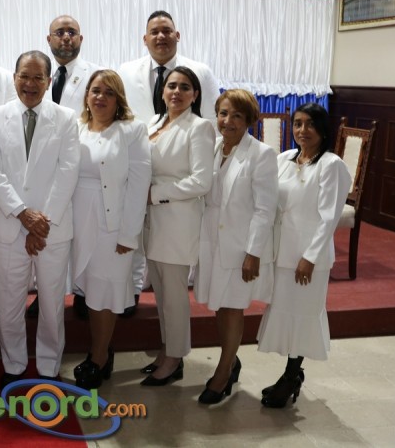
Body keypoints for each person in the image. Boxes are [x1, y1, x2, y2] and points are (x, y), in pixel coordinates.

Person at [0, 50, 80, 388]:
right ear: (14, 78)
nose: (31, 83)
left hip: (52, 229)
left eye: (38, 77)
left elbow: (68, 171)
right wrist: (23, 214)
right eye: (25, 76)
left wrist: (42, 223)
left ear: (49, 81)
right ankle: (13, 365)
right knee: (10, 304)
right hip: (11, 225)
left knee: (52, 305)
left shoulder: (66, 118)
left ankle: (49, 367)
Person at [257, 102, 351, 409]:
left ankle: (291, 376)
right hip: (282, 251)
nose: (302, 130)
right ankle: (291, 374)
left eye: (310, 124)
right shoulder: (285, 159)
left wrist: (310, 257)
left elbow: (329, 217)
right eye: (298, 123)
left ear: (323, 128)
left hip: (309, 257)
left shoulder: (331, 165)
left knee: (302, 316)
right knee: (286, 312)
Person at [194, 89, 278, 404]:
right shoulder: (213, 147)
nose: (228, 121)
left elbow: (265, 209)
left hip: (240, 245)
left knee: (232, 308)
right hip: (212, 241)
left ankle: (223, 372)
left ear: (249, 120)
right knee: (220, 305)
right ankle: (231, 360)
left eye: (237, 116)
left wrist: (253, 253)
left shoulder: (261, 154)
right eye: (223, 113)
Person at [71, 70, 150, 390]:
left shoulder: (132, 130)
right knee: (91, 293)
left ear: (119, 99)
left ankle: (99, 356)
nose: (100, 97)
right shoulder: (76, 128)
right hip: (79, 224)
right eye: (95, 90)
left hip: (112, 226)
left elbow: (139, 184)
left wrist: (128, 234)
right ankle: (103, 351)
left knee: (104, 294)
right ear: (86, 95)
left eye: (109, 92)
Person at [140, 66, 215, 386]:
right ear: (162, 91)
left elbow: (201, 181)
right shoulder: (154, 123)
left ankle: (175, 358)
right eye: (172, 85)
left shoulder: (199, 127)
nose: (177, 92)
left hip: (177, 222)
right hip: (152, 221)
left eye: (185, 87)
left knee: (174, 296)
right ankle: (166, 349)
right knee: (161, 294)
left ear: (195, 95)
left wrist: (156, 193)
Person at [27, 15, 103, 321]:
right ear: (49, 39)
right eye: (59, 32)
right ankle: (46, 295)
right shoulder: (36, 73)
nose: (66, 37)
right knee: (48, 233)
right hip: (44, 168)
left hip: (81, 165)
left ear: (81, 39)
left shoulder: (94, 74)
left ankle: (83, 292)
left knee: (82, 236)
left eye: (72, 32)